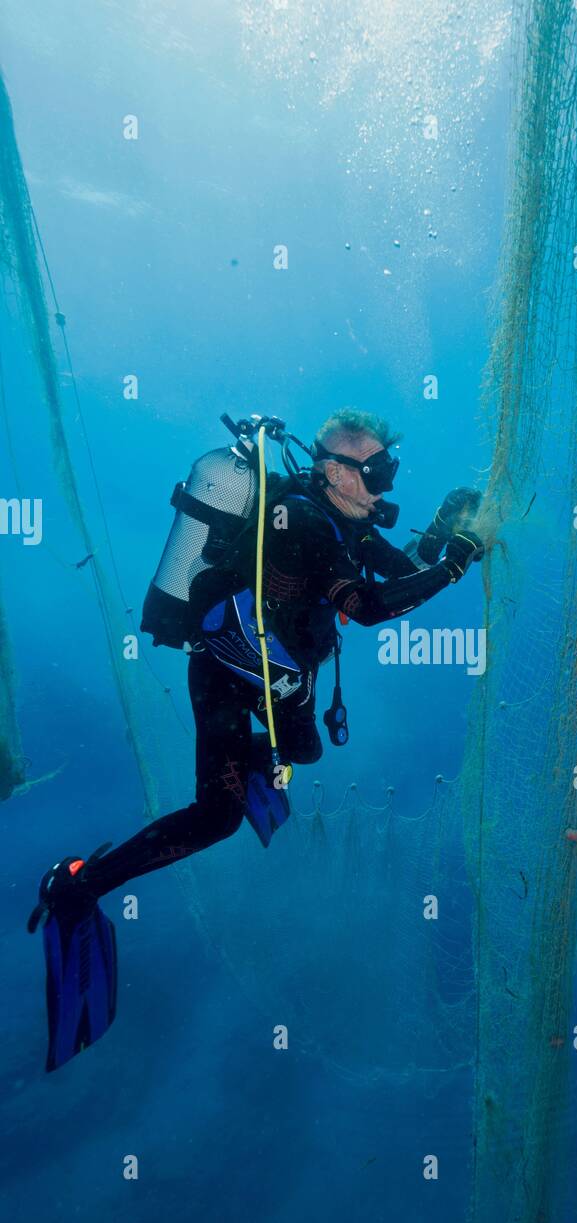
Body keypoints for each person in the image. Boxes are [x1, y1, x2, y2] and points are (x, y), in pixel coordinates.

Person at [27, 407, 483, 1069]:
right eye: (377, 471)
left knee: (300, 754)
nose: (385, 486)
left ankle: (258, 764)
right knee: (218, 817)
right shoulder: (300, 523)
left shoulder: (342, 523)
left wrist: (441, 533)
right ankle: (75, 885)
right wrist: (458, 565)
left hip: (280, 675)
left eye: (391, 470)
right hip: (224, 672)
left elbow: (391, 572)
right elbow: (372, 608)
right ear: (333, 468)